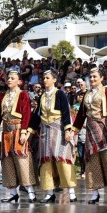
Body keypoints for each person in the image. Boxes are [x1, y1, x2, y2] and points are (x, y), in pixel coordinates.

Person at [72, 67, 107, 205]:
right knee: (92, 160)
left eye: (95, 77)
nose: (92, 79)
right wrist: (74, 130)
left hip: (104, 126)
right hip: (90, 128)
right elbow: (81, 115)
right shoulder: (86, 94)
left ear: (102, 78)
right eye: (90, 77)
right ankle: (95, 192)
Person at [0, 70, 38, 203]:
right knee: (7, 161)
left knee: (22, 160)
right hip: (6, 132)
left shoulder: (23, 95)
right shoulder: (4, 95)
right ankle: (12, 192)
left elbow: (27, 114)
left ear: (19, 81)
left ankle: (31, 192)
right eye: (8, 78)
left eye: (12, 78)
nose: (9, 80)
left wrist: (24, 132)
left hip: (18, 129)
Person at [29, 69, 77, 203]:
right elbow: (36, 116)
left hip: (59, 129)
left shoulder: (60, 93)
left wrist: (68, 130)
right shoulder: (42, 96)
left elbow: (66, 112)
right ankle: (49, 192)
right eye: (44, 78)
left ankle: (71, 191)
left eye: (47, 78)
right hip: (45, 130)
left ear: (54, 80)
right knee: (46, 161)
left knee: (63, 159)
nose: (45, 80)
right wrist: (29, 131)